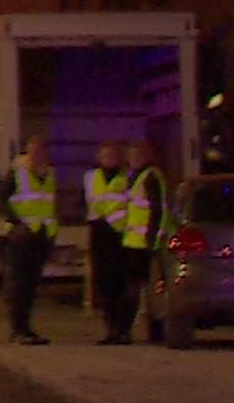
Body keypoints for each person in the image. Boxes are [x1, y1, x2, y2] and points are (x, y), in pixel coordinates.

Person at [110, 138, 169, 345]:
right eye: (131, 156)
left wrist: (153, 240)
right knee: (136, 291)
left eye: (136, 155)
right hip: (133, 243)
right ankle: (136, 331)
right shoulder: (133, 177)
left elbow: (159, 210)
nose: (133, 159)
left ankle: (145, 331)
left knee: (146, 290)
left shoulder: (150, 177)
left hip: (146, 244)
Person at [0, 135, 57, 345]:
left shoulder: (48, 174)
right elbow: (0, 198)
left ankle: (25, 329)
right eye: (34, 151)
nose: (38, 156)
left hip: (40, 237)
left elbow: (49, 206)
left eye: (41, 152)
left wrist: (51, 235)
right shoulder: (18, 172)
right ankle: (18, 330)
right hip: (21, 238)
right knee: (19, 286)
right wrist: (15, 223)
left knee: (31, 287)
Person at [83, 140, 129, 337]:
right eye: (105, 155)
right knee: (103, 284)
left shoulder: (127, 177)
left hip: (121, 235)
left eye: (113, 155)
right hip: (100, 233)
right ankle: (110, 328)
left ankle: (121, 329)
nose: (109, 158)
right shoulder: (90, 178)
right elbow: (83, 202)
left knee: (121, 284)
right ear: (98, 158)